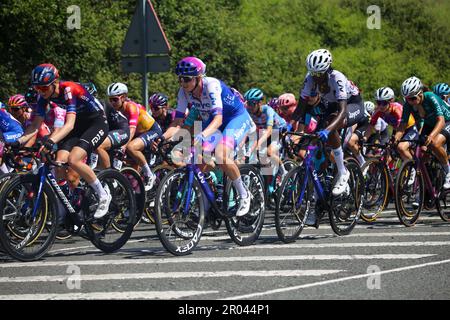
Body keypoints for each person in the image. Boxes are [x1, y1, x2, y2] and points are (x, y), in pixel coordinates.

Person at [159, 56, 254, 217]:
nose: (183, 83)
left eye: (187, 79)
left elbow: (218, 119)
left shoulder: (211, 85)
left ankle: (244, 195)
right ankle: (207, 205)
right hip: (212, 123)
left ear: (198, 78)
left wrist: (202, 135)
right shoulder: (184, 92)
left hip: (234, 119)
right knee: (197, 163)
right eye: (180, 79)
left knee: (221, 154)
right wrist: (162, 139)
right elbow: (177, 122)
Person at [18, 63, 111, 219]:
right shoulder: (43, 96)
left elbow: (69, 125)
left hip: (96, 122)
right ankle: (67, 205)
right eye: (37, 88)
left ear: (55, 83)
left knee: (73, 160)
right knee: (58, 162)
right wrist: (18, 141)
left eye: (44, 88)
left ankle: (103, 195)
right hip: (79, 125)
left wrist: (50, 141)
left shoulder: (69, 89)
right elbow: (35, 125)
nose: (40, 92)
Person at [292, 49, 365, 196]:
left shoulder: (336, 77)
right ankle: (322, 192)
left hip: (352, 104)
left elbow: (343, 110)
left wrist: (327, 130)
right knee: (318, 144)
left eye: (319, 74)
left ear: (327, 70)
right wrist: (288, 128)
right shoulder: (310, 78)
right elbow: (301, 107)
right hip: (331, 105)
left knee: (329, 126)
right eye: (313, 73)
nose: (316, 78)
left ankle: (343, 172)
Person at [397, 76, 450, 190]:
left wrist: (431, 136)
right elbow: (402, 125)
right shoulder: (408, 104)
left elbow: (441, 121)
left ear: (420, 93)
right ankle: (426, 186)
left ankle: (448, 171)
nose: (410, 101)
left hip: (446, 120)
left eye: (412, 98)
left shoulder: (430, 97)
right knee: (422, 154)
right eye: (407, 99)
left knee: (435, 143)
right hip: (430, 123)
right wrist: (396, 138)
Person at [106, 82, 161, 190]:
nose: (112, 102)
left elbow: (131, 129)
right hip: (138, 134)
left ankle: (150, 175)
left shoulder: (131, 107)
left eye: (115, 99)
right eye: (110, 99)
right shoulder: (114, 110)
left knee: (131, 147)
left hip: (151, 130)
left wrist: (123, 146)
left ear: (123, 97)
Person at [244, 88, 288, 179]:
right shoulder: (249, 112)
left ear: (260, 103)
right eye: (248, 103)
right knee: (259, 157)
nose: (250, 106)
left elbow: (269, 131)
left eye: (252, 103)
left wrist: (258, 145)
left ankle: (284, 172)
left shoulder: (268, 110)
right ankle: (268, 179)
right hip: (264, 131)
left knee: (269, 152)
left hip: (278, 131)